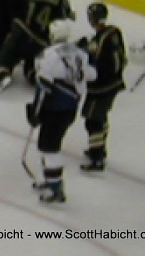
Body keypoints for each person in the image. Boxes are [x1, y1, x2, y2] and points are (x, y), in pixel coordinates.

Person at [28, 18, 96, 204]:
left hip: (54, 109)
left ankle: (55, 188)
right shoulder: (80, 53)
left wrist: (35, 110)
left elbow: (44, 87)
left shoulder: (47, 55)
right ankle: (50, 180)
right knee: (47, 145)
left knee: (50, 148)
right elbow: (92, 74)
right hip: (71, 107)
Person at [77, 2, 127, 172]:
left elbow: (94, 58)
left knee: (93, 120)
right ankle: (100, 149)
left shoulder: (100, 40)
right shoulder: (114, 32)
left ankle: (97, 156)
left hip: (101, 87)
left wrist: (83, 49)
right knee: (101, 115)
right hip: (114, 83)